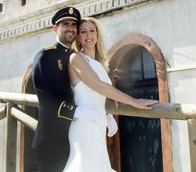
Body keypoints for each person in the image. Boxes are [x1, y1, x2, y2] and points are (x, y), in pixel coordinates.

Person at [63, 17, 158, 172]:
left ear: (97, 34)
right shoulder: (76, 58)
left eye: (92, 30)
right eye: (83, 32)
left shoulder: (99, 63)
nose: (89, 35)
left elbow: (98, 93)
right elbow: (98, 85)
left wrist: (107, 112)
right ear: (78, 37)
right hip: (85, 122)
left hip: (98, 121)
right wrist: (134, 101)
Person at [32, 6, 99, 172]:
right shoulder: (45, 56)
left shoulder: (77, 57)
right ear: (55, 28)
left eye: (74, 25)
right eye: (65, 24)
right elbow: (46, 97)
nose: (71, 28)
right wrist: (77, 111)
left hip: (75, 136)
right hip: (51, 141)